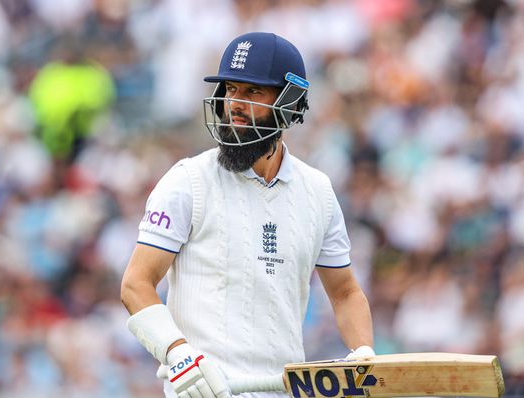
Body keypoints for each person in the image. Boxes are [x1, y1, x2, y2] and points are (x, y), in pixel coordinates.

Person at [120, 32, 374, 398]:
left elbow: (346, 291)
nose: (234, 104)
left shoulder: (317, 192)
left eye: (253, 92)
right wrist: (178, 354)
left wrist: (363, 352)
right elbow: (135, 283)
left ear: (289, 103)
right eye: (231, 89)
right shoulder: (188, 180)